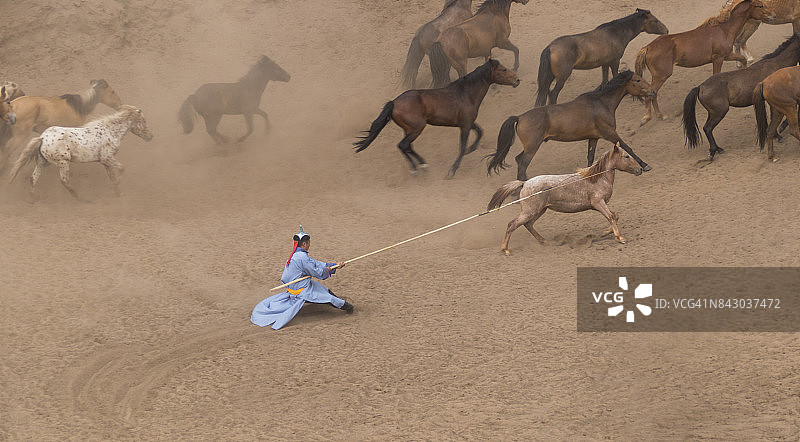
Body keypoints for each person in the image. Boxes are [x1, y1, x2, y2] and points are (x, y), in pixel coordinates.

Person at [251, 226, 354, 330]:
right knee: (328, 298)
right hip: (302, 291)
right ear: (304, 244)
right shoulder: (302, 258)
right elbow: (318, 272)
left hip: (302, 285)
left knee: (324, 290)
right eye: (308, 242)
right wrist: (329, 269)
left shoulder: (296, 255)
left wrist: (335, 265)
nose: (310, 244)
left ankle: (339, 300)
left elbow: (316, 263)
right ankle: (348, 307)